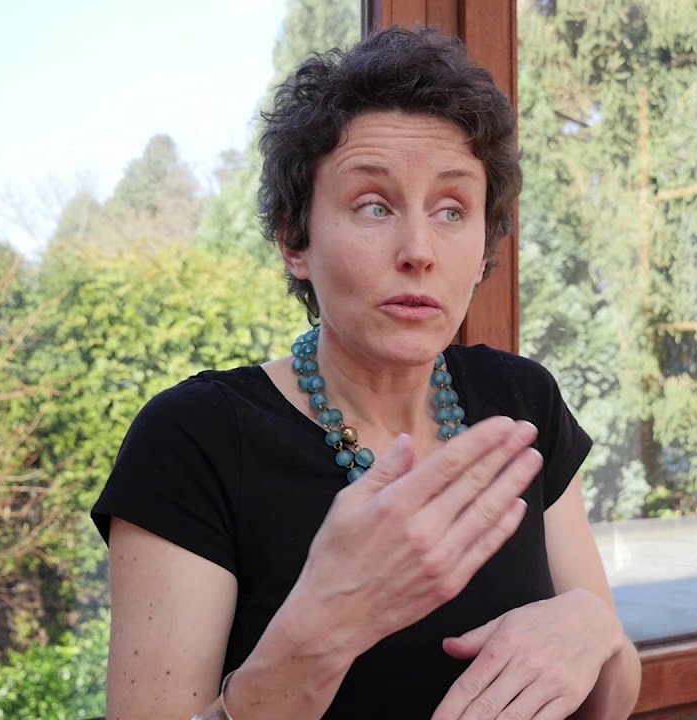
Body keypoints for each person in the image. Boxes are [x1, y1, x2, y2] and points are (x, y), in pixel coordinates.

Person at [91, 26, 642, 719]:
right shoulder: (193, 440)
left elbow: (612, 694)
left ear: (483, 247)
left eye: (452, 210)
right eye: (374, 206)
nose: (419, 250)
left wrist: (595, 631)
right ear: (295, 240)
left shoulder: (522, 400)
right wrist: (324, 627)